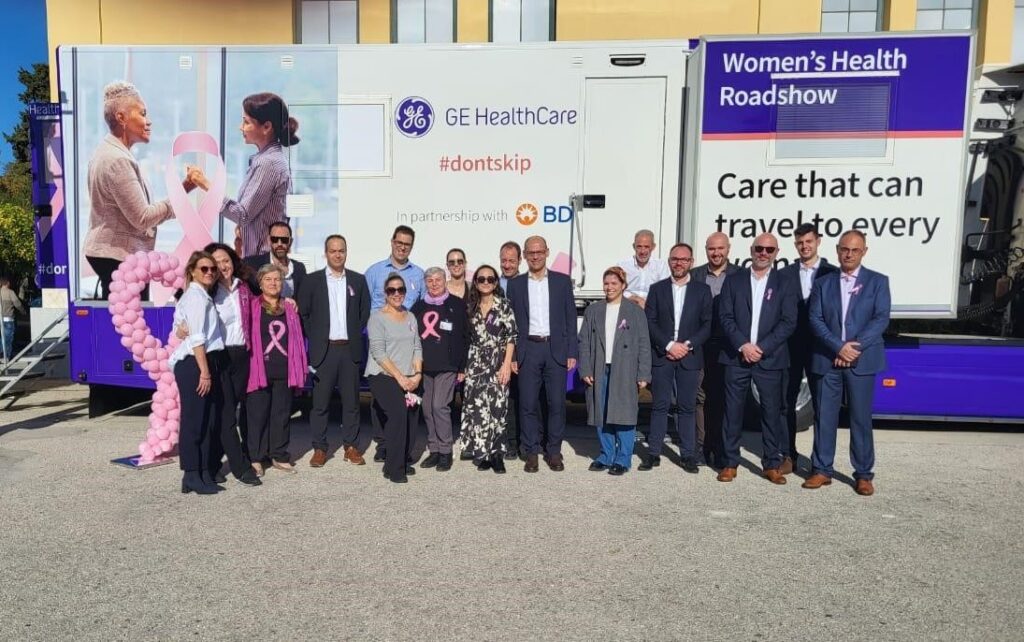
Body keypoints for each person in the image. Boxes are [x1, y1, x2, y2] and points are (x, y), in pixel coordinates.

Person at [84, 81, 197, 300]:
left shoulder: (110, 153)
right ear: (121, 117)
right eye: (143, 114)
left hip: (119, 257)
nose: (149, 121)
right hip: (121, 258)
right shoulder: (117, 160)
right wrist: (184, 190)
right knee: (130, 320)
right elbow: (143, 218)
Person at [805, 231, 891, 496]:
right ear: (837, 250)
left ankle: (863, 474)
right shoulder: (823, 283)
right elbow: (815, 319)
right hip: (828, 358)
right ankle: (822, 470)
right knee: (824, 417)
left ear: (864, 251)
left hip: (861, 360)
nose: (849, 254)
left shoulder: (878, 282)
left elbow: (880, 318)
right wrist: (838, 346)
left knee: (860, 418)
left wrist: (853, 347)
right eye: (844, 249)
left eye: (855, 250)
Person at [716, 233, 798, 484]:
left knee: (771, 412)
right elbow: (725, 316)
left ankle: (771, 463)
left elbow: (788, 322)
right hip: (737, 357)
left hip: (770, 358)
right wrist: (743, 345)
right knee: (732, 412)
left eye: (769, 250)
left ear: (776, 253)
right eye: (759, 248)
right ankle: (729, 462)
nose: (763, 253)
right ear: (751, 250)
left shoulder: (785, 283)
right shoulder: (734, 280)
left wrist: (761, 348)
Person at [193, 92, 297, 258]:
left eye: (246, 122)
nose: (241, 127)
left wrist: (205, 184)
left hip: (262, 260)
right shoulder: (268, 159)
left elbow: (242, 215)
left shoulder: (268, 163)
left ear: (266, 127)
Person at [506, 235, 577, 472]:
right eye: (530, 252)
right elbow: (511, 324)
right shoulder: (515, 285)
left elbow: (570, 318)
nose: (535, 256)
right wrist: (513, 356)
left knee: (556, 404)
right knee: (527, 404)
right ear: (524, 256)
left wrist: (572, 351)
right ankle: (531, 452)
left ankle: (553, 451)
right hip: (528, 349)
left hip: (555, 349)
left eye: (539, 252)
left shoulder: (562, 282)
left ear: (547, 252)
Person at [299, 235, 371, 468]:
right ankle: (320, 448)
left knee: (351, 403)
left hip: (349, 350)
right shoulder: (312, 281)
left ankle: (351, 447)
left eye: (341, 250)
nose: (338, 255)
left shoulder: (358, 281)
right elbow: (304, 313)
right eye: (333, 251)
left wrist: (353, 333)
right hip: (324, 351)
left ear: (346, 252)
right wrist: (316, 336)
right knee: (320, 404)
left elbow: (364, 312)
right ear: (326, 253)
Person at [641, 243, 712, 474]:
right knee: (659, 406)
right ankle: (653, 453)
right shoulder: (657, 289)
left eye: (683, 259)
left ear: (691, 262)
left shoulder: (702, 290)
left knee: (687, 407)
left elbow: (707, 324)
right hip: (663, 355)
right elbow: (650, 321)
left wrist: (686, 345)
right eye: (674, 259)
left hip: (690, 356)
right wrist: (669, 345)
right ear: (669, 261)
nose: (678, 263)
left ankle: (688, 455)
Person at [578, 266, 652, 475]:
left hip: (625, 368)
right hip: (599, 367)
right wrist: (585, 368)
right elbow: (584, 342)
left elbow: (644, 343)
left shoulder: (635, 312)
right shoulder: (594, 310)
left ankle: (623, 458)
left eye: (614, 283)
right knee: (601, 413)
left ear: (623, 285)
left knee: (624, 414)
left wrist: (643, 373)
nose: (609, 287)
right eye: (606, 283)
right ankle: (606, 455)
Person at [778, 223, 838, 474]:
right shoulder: (784, 274)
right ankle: (787, 455)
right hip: (791, 347)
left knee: (822, 407)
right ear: (795, 245)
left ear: (818, 241)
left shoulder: (832, 273)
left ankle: (820, 463)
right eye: (800, 243)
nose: (804, 246)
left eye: (809, 242)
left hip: (821, 348)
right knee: (786, 403)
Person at [202, 243, 262, 487]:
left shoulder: (244, 287)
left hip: (242, 355)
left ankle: (213, 464)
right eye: (216, 262)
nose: (222, 266)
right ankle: (240, 468)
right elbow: (185, 307)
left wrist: (287, 302)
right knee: (227, 414)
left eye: (225, 260)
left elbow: (265, 303)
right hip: (220, 356)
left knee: (228, 410)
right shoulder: (207, 292)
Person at [365, 225, 425, 462]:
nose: (402, 247)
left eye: (407, 244)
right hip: (382, 341)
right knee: (382, 400)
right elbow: (364, 306)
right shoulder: (374, 272)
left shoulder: (418, 274)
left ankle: (402, 446)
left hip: (406, 343)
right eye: (399, 242)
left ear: (412, 246)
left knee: (405, 402)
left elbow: (421, 308)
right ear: (392, 242)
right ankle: (383, 445)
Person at [169, 251, 225, 495]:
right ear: (192, 271)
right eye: (204, 268)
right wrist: (204, 372)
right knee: (195, 421)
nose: (210, 272)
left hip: (202, 361)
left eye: (212, 268)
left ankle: (201, 472)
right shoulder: (195, 297)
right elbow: (197, 338)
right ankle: (192, 473)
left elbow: (181, 327)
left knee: (206, 419)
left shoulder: (200, 296)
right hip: (196, 362)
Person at [245, 263, 307, 476]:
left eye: (277, 279)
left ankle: (279, 455)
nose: (273, 283)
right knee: (257, 416)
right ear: (260, 283)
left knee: (281, 415)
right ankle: (256, 457)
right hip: (259, 370)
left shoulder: (290, 307)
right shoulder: (252, 306)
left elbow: (297, 338)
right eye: (268, 279)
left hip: (285, 371)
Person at [459, 264, 517, 473]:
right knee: (478, 409)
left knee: (498, 408)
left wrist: (506, 364)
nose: (486, 282)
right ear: (475, 282)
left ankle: (497, 454)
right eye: (481, 279)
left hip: (497, 361)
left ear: (495, 283)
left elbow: (511, 336)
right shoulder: (470, 307)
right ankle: (482, 453)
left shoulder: (504, 306)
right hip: (475, 362)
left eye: (490, 279)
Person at [688, 231, 740, 464]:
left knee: (723, 398)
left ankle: (720, 448)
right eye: (711, 249)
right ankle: (701, 447)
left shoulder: (740, 275)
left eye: (720, 248)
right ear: (706, 250)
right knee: (700, 397)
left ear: (728, 249)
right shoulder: (695, 275)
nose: (716, 253)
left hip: (728, 346)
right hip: (700, 345)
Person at [366, 274, 423, 484]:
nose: (397, 294)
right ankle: (395, 467)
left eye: (401, 290)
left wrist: (417, 374)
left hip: (409, 376)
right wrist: (399, 377)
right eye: (392, 290)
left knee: (411, 418)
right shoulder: (377, 318)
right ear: (385, 293)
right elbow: (378, 353)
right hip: (383, 375)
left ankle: (399, 461)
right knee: (398, 414)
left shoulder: (410, 317)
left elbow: (417, 346)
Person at [413, 267, 469, 471]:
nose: (434, 284)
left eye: (438, 279)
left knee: (439, 406)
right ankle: (434, 449)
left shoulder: (456, 304)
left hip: (448, 364)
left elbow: (464, 336)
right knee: (427, 408)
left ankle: (445, 451)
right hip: (425, 366)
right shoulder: (418, 307)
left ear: (445, 281)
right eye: (430, 280)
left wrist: (462, 365)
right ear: (425, 283)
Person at [498, 240, 523, 458]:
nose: (507, 265)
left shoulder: (526, 284)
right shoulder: (493, 284)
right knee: (501, 398)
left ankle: (518, 442)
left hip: (519, 349)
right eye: (504, 260)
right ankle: (504, 441)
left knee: (518, 397)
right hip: (496, 349)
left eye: (511, 261)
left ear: (519, 261)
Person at [243, 221, 307, 298]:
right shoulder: (252, 264)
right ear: (269, 241)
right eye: (274, 239)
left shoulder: (299, 268)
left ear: (290, 241)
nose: (279, 244)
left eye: (284, 240)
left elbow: (303, 298)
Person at [617, 229, 669, 309]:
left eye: (646, 247)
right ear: (634, 246)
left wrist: (648, 302)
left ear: (653, 247)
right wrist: (634, 299)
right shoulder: (623, 266)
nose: (642, 251)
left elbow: (664, 290)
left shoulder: (661, 266)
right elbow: (616, 288)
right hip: (627, 305)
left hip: (652, 307)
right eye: (639, 246)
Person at [0, 275, 26, 363]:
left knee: (2, 337)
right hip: (8, 319)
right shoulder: (10, 292)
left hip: (0, 319)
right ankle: (5, 356)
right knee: (8, 338)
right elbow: (17, 304)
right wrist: (23, 311)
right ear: (7, 283)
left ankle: (1, 354)